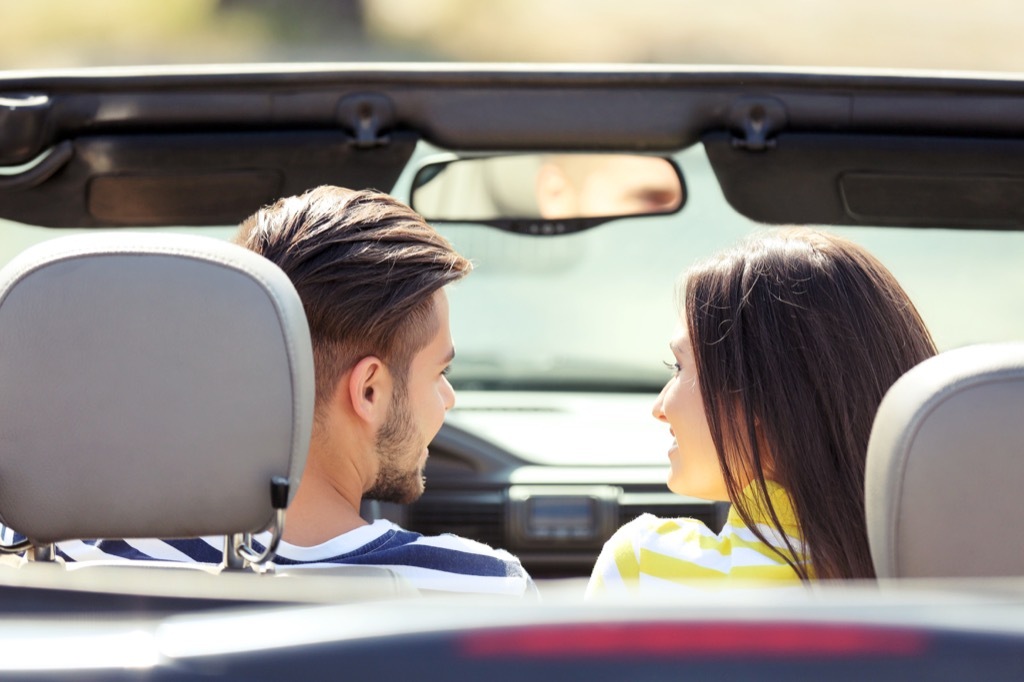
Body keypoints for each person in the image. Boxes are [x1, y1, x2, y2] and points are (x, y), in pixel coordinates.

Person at [58, 186, 535, 598]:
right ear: (369, 390)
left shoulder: (66, 565)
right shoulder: (483, 590)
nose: (448, 398)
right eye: (438, 373)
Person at [586, 227, 937, 597]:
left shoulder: (641, 567)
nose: (659, 408)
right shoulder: (957, 579)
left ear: (753, 396)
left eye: (678, 367)